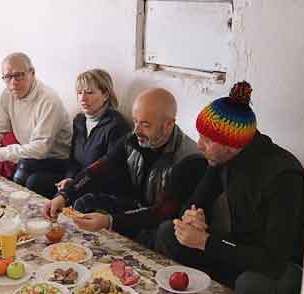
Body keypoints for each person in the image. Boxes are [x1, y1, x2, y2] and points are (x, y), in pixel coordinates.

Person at [155, 81, 304, 294]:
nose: (198, 145)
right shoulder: (224, 158)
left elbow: (272, 261)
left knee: (252, 284)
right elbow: (195, 203)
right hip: (238, 250)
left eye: (206, 139)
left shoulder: (284, 177)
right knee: (167, 233)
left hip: (281, 266)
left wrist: (205, 242)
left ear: (231, 144)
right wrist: (191, 218)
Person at [43, 88, 207, 247]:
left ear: (168, 124)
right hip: (137, 207)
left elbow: (162, 213)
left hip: (163, 223)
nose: (136, 130)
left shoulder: (189, 159)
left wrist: (110, 221)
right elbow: (99, 169)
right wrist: (64, 196)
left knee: (159, 233)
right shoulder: (133, 139)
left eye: (145, 124)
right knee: (84, 203)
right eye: (135, 121)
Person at [0, 52, 72, 198]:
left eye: (19, 75)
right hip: (30, 157)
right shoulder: (7, 94)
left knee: (31, 180)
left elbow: (41, 149)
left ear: (32, 73)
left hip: (56, 160)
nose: (13, 82)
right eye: (8, 77)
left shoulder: (49, 100)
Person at [55, 69, 130, 192]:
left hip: (98, 188)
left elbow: (109, 173)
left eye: (89, 92)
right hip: (77, 182)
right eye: (79, 93)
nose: (83, 98)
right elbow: (73, 160)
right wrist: (69, 178)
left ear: (105, 95)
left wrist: (74, 185)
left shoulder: (116, 126)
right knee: (36, 180)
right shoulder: (79, 120)